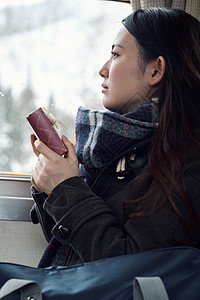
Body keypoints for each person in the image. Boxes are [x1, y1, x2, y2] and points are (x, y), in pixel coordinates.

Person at [30, 7, 200, 268]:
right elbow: (75, 249)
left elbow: (127, 269)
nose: (103, 69)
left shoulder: (187, 160)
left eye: (115, 54)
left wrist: (67, 188)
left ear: (156, 71)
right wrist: (51, 187)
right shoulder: (116, 148)